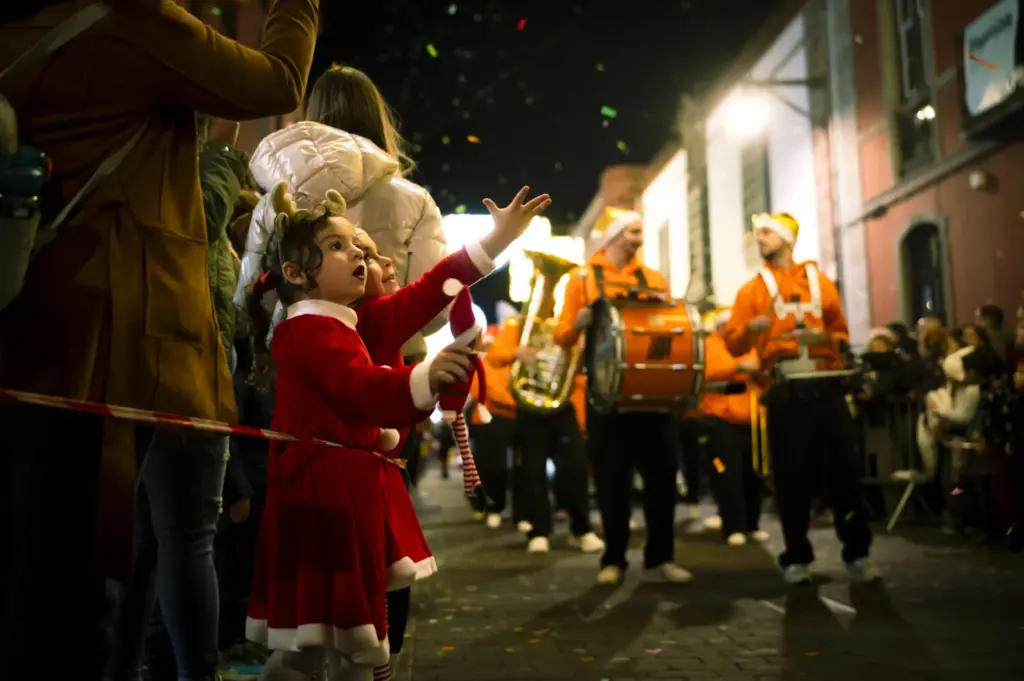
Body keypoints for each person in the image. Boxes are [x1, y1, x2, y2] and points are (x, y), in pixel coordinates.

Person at [0, 3, 319, 679]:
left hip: (25, 321)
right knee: (89, 574)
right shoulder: (128, 20)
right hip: (103, 342)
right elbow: (275, 81)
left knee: (35, 563)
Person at [243, 184, 549, 681]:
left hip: (346, 491)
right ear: (297, 274)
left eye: (361, 247)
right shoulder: (315, 329)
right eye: (341, 247)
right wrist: (426, 376)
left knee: (341, 637)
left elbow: (435, 286)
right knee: (329, 638)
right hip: (327, 495)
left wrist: (496, 240)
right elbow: (360, 387)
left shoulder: (346, 321)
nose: (366, 258)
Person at [108, 115, 252, 681]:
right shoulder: (182, 165)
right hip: (181, 370)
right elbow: (197, 224)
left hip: (135, 367)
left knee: (145, 543)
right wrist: (221, 152)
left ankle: (131, 666)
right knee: (185, 540)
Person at [237, 64, 447, 365]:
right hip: (393, 372)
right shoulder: (415, 200)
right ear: (378, 118)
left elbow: (251, 299)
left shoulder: (276, 201)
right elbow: (436, 312)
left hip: (302, 365)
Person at [723, 212, 878, 585]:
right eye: (757, 233)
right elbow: (732, 340)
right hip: (786, 392)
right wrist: (749, 328)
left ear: (787, 239)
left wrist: (826, 338)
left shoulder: (820, 282)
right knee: (792, 478)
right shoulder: (751, 290)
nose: (758, 238)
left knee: (845, 474)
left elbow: (839, 329)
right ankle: (796, 556)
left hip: (826, 387)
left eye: (766, 232)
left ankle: (858, 553)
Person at [555, 208, 692, 585]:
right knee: (612, 482)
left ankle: (661, 556)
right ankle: (613, 559)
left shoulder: (653, 278)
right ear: (614, 235)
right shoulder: (581, 278)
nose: (639, 238)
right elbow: (561, 335)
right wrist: (577, 323)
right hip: (606, 398)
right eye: (632, 231)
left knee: (662, 480)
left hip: (652, 394)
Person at [490, 314, 603, 554]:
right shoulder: (520, 323)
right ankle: (539, 531)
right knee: (532, 471)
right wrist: (517, 352)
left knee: (576, 465)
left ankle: (581, 529)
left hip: (562, 403)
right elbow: (495, 355)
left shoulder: (570, 322)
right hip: (530, 406)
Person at [700, 310, 767, 546]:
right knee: (728, 474)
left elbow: (761, 368)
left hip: (750, 415)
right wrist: (739, 367)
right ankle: (733, 526)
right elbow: (708, 372)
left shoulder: (750, 345)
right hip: (720, 417)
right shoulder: (709, 345)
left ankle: (752, 524)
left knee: (754, 472)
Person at [470, 320, 520, 529]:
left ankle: (520, 513)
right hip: (488, 419)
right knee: (491, 467)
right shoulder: (480, 361)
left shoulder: (511, 360)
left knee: (519, 468)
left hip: (512, 417)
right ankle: (492, 507)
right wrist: (513, 400)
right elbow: (480, 390)